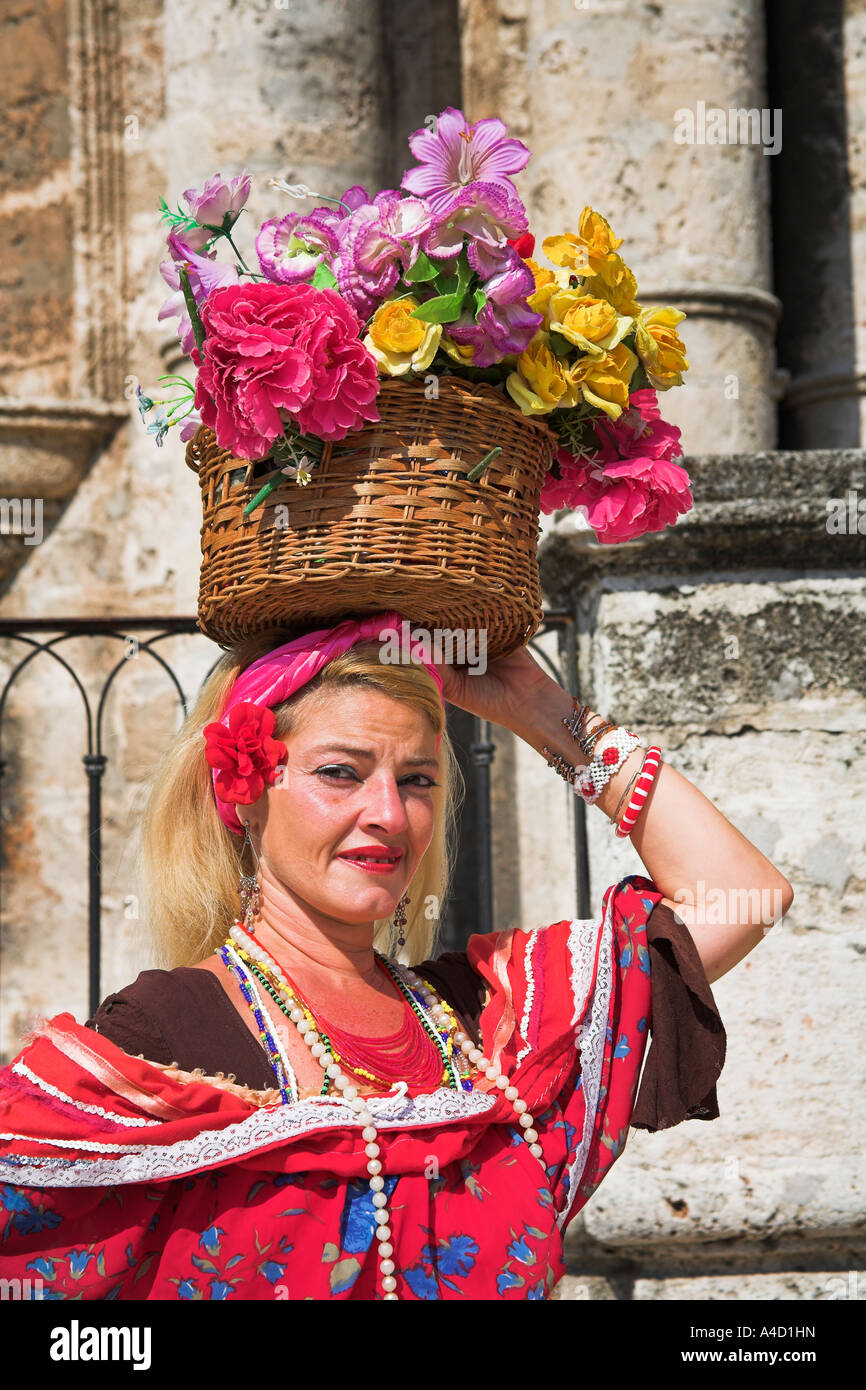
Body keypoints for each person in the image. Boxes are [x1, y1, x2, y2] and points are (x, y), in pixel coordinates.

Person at [0, 610, 792, 1301]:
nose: (387, 814)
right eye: (339, 773)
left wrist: (544, 711)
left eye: (415, 780)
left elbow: (743, 894)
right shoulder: (167, 1031)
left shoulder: (486, 1018)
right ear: (243, 791)